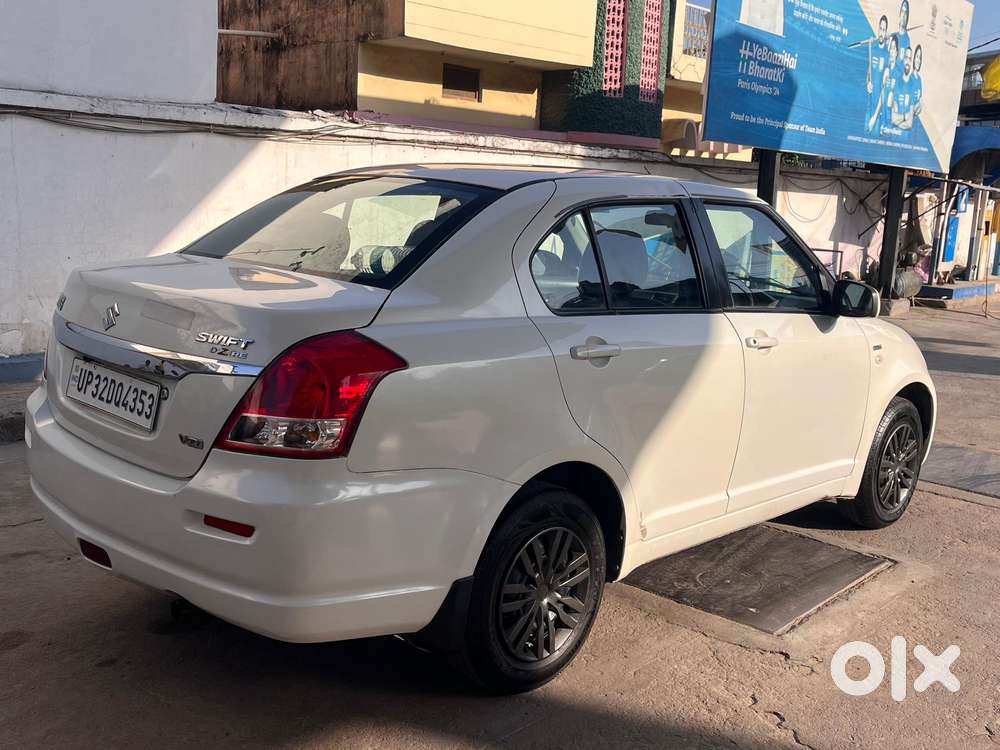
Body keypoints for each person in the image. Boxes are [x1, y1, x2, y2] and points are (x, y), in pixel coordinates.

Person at [869, 34, 899, 135]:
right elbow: (882, 94)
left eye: (894, 49)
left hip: (893, 119)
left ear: (897, 52)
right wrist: (874, 116)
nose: (891, 51)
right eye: (890, 48)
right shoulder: (886, 71)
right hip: (883, 120)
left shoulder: (899, 73)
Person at [866, 16, 891, 133]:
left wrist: (875, 117)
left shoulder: (887, 55)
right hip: (869, 104)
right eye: (880, 29)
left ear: (886, 33)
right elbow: (869, 73)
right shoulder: (873, 48)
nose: (881, 32)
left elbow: (885, 89)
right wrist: (868, 83)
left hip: (878, 110)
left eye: (884, 30)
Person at [891, 46, 917, 130]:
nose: (907, 61)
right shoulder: (897, 82)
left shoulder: (913, 85)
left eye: (910, 58)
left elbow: (909, 124)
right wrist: (905, 116)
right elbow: (893, 119)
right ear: (903, 60)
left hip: (905, 138)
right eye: (906, 57)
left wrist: (898, 119)